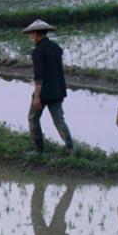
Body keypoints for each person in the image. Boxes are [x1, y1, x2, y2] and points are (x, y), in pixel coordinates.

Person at [22, 19, 74, 154]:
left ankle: (38, 149)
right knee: (59, 120)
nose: (32, 37)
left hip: (44, 92)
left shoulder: (38, 51)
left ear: (36, 34)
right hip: (58, 89)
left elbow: (38, 76)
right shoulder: (56, 48)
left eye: (32, 35)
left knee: (33, 118)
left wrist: (36, 97)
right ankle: (71, 148)